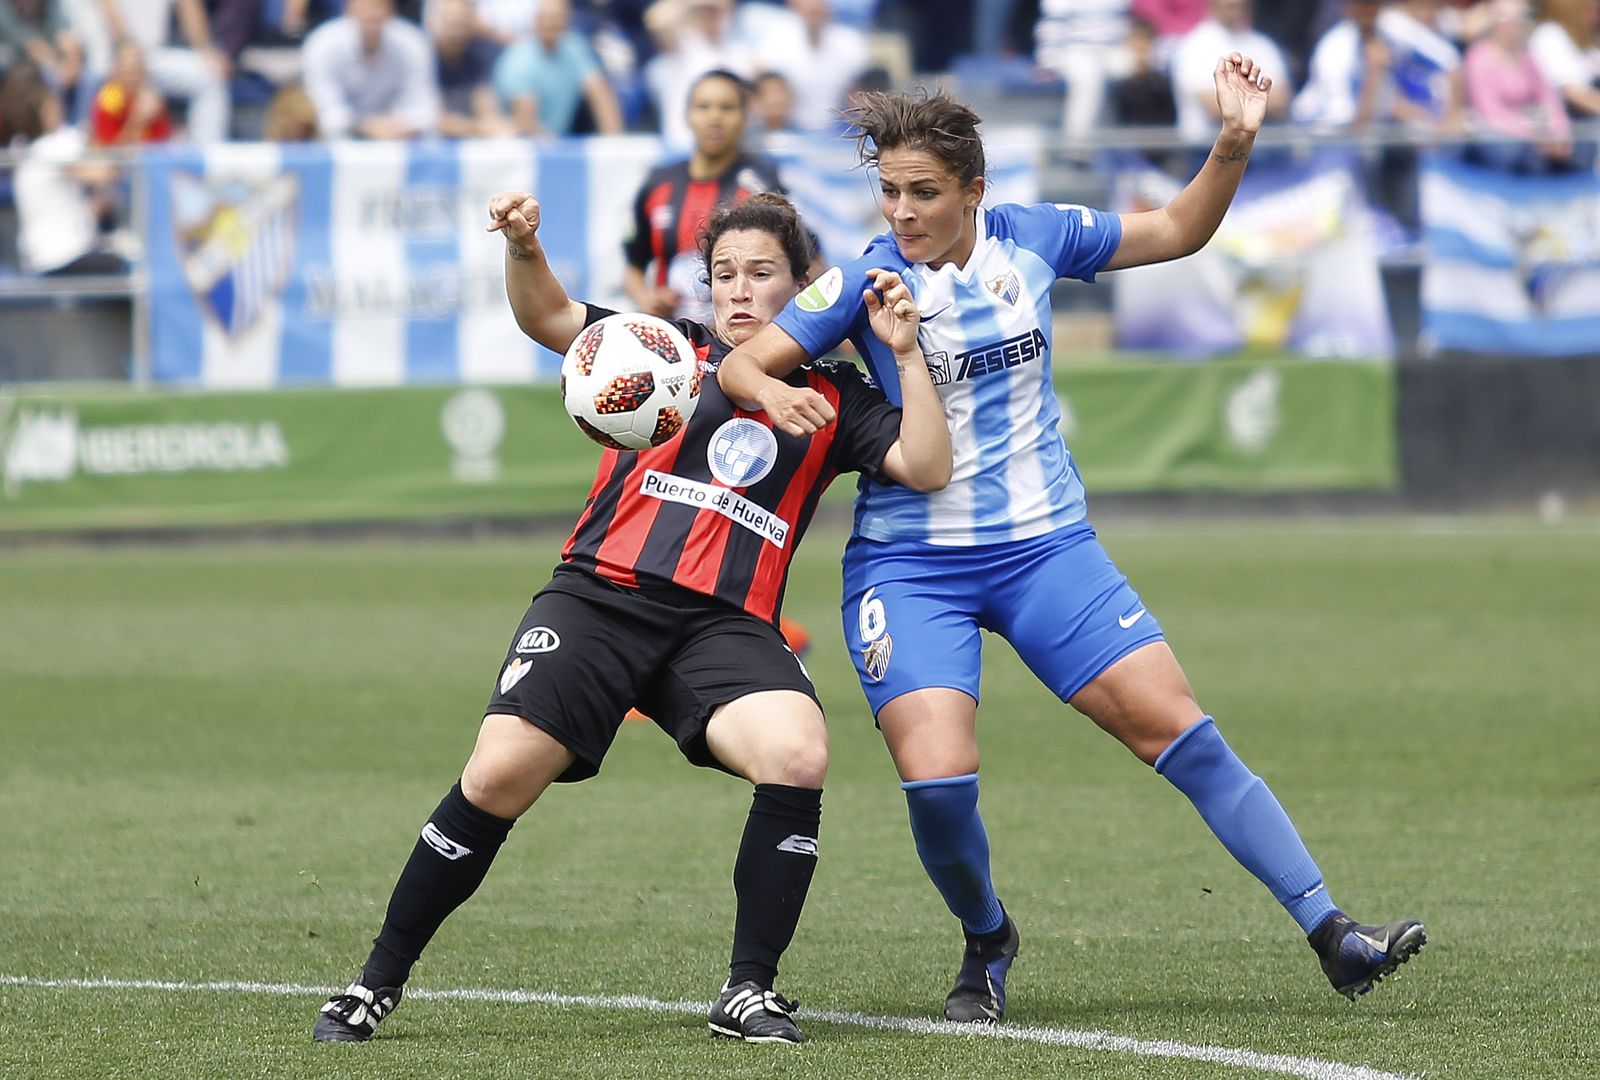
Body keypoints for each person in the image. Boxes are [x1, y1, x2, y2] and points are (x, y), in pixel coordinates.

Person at [717, 58, 1427, 1023]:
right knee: (939, 782)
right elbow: (743, 364)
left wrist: (1233, 142)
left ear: (976, 191)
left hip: (1045, 547)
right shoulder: (859, 281)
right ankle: (987, 938)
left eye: (924, 192)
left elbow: (1178, 229)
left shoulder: (1038, 238)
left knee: (1178, 732)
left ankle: (1331, 930)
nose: (902, 212)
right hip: (910, 565)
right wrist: (776, 389)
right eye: (888, 191)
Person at [310, 191, 952, 1046]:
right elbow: (548, 315)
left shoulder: (835, 392)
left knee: (797, 752)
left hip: (726, 624)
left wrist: (906, 357)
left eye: (762, 274)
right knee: (499, 774)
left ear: (805, 286)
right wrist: (525, 245)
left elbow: (926, 463)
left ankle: (747, 991)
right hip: (600, 597)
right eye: (723, 273)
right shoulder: (666, 347)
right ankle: (373, 983)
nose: (738, 290)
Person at [623, 69, 784, 323]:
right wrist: (648, 300)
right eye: (703, 107)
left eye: (727, 108)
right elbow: (633, 265)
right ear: (687, 115)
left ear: (744, 118)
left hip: (740, 340)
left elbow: (798, 264)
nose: (714, 117)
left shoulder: (761, 186)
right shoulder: (658, 184)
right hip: (672, 335)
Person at [300, 0, 441, 140]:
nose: (372, 14)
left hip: (402, 139)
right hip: (339, 142)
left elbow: (423, 107)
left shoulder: (412, 42)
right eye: (365, 7)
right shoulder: (323, 44)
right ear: (349, 10)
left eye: (378, 6)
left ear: (391, 10)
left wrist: (399, 125)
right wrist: (365, 127)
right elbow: (325, 109)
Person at [491, 0, 623, 137]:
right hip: (519, 147)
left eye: (557, 17)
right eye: (546, 18)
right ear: (535, 20)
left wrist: (613, 143)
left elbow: (600, 93)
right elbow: (527, 124)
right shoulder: (518, 60)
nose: (552, 23)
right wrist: (557, 153)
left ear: (568, 20)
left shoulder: (575, 48)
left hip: (558, 142)